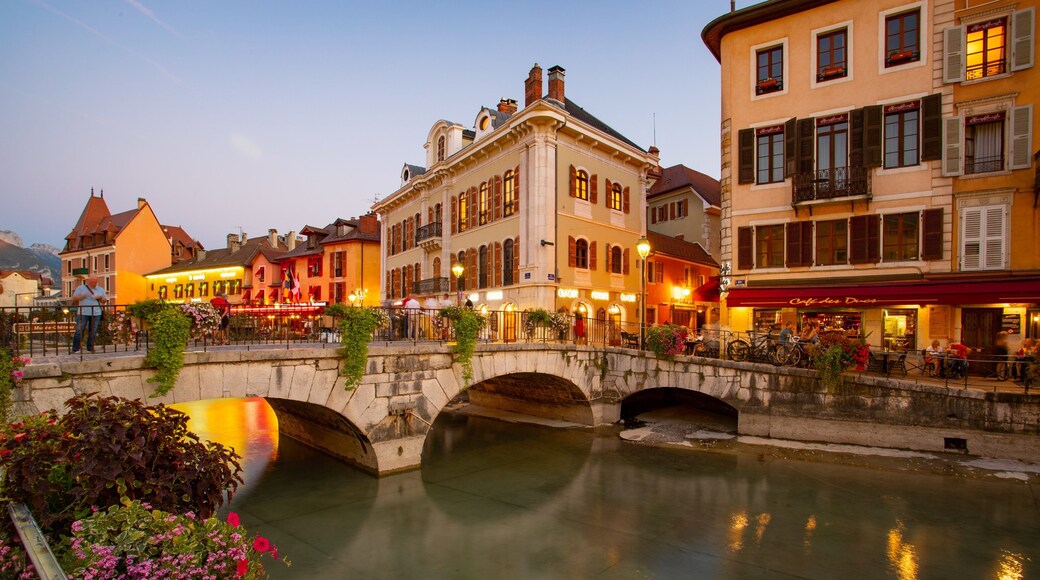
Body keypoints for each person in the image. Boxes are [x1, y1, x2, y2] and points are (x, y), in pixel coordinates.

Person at [71, 275, 108, 353]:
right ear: (88, 281)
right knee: (79, 330)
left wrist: (99, 297)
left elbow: (104, 301)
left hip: (96, 313)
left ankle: (90, 347)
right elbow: (74, 297)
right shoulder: (81, 288)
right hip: (83, 312)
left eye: (95, 282)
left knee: (93, 331)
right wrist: (82, 296)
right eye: (91, 282)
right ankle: (76, 348)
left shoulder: (100, 289)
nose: (93, 284)